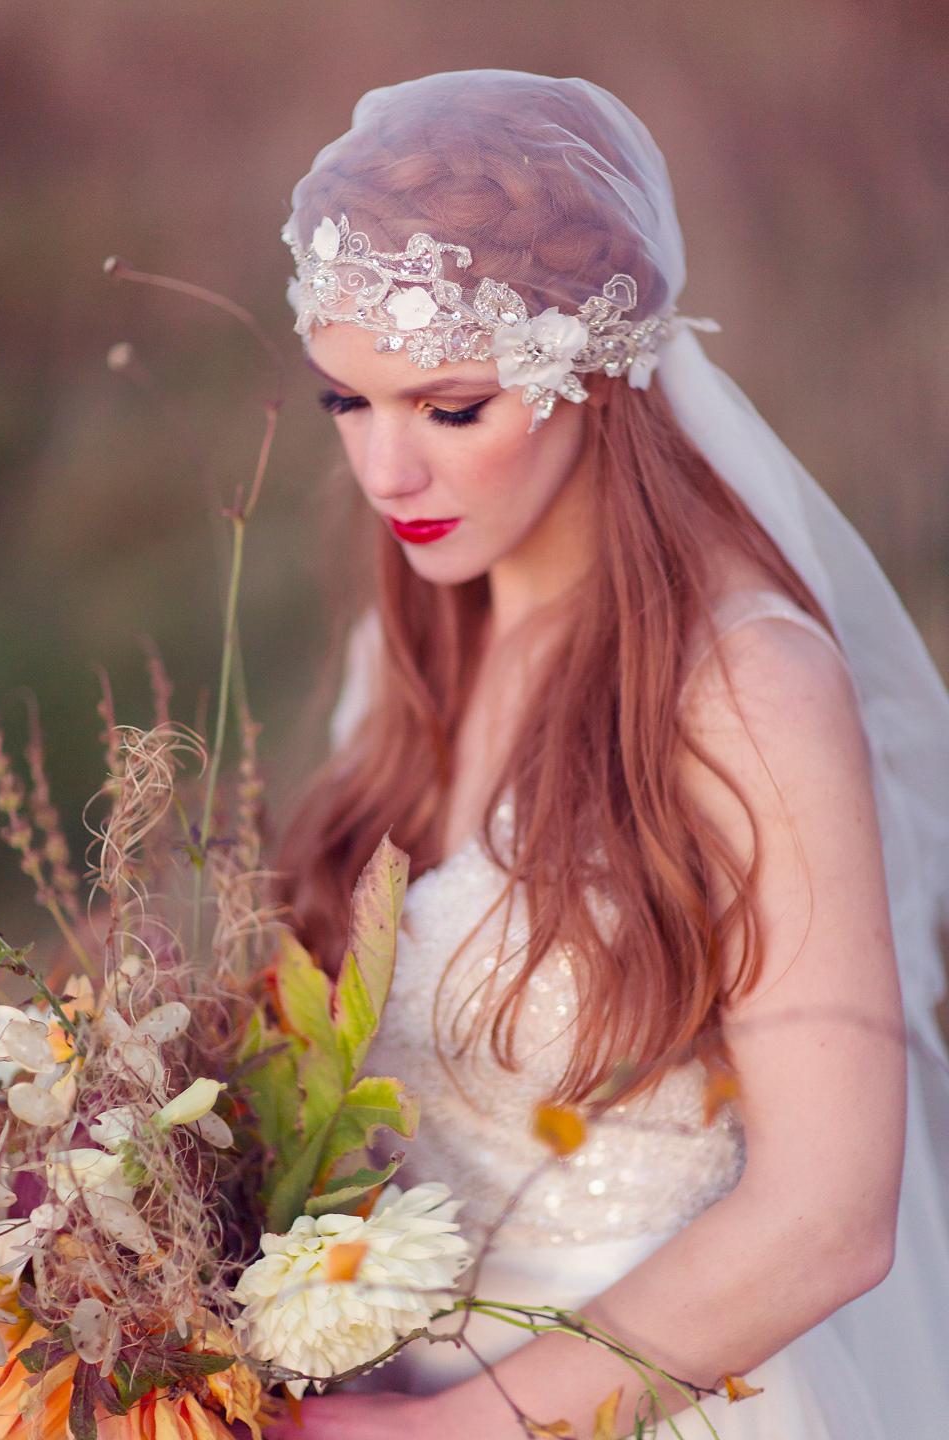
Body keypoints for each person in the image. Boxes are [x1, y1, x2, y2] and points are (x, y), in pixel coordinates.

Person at [269, 71, 949, 1439]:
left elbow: (829, 1220)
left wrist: (440, 1433)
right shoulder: (412, 643)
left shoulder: (747, 682)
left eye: (449, 408)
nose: (387, 472)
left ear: (593, 371)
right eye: (347, 403)